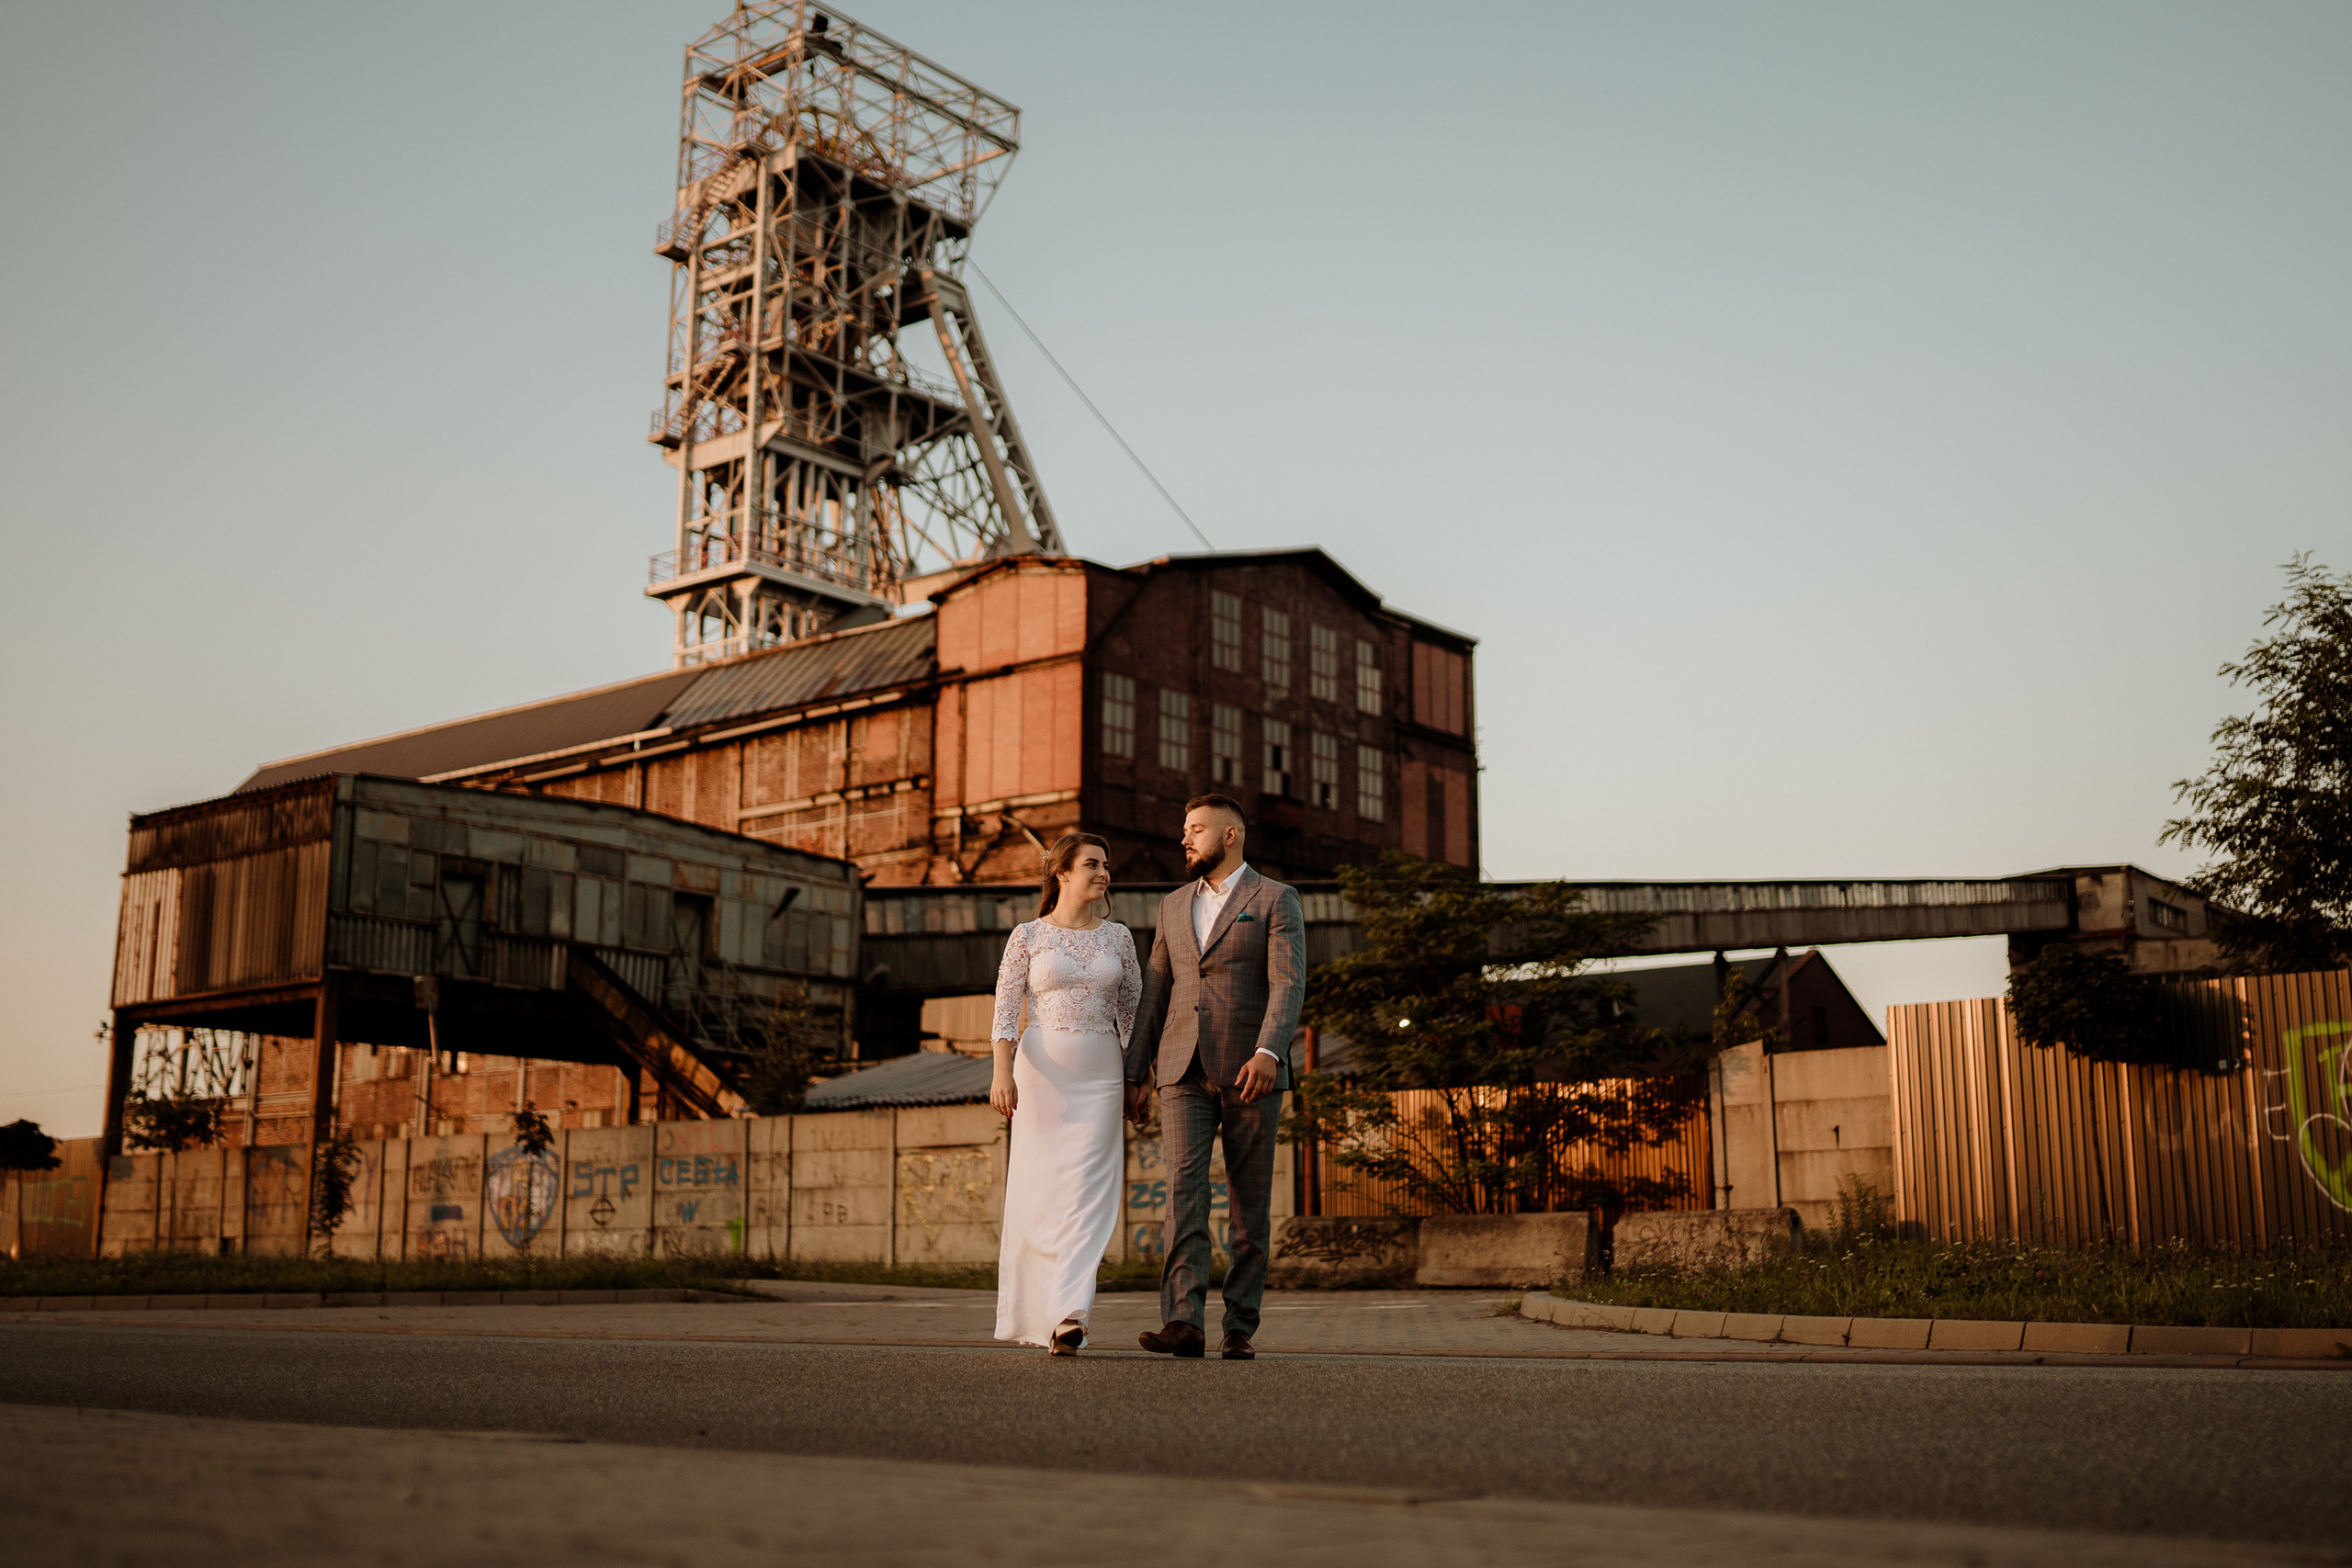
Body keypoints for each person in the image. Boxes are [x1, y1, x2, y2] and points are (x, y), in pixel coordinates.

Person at [1124, 794, 1306, 1360]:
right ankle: (1184, 1322)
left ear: (1230, 836)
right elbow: (1157, 990)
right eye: (1185, 829)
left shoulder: (1276, 898)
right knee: (1184, 1194)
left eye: (1196, 829)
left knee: (1249, 1205)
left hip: (1251, 1069)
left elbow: (1288, 983)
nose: (1185, 838)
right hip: (1180, 1069)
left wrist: (1269, 1052)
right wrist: (1136, 1073)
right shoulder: (1173, 905)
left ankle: (1238, 1326)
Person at [989, 832, 1141, 1355]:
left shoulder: (1119, 937)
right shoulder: (1027, 935)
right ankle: (1042, 1310)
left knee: (1089, 1195)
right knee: (1043, 1192)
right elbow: (1007, 1010)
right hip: (1040, 1077)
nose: (1103, 873)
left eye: (1106, 865)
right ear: (1062, 873)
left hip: (1103, 1074)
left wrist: (1136, 1079)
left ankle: (1070, 1313)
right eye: (1093, 864)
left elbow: (1132, 1015)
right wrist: (1000, 1074)